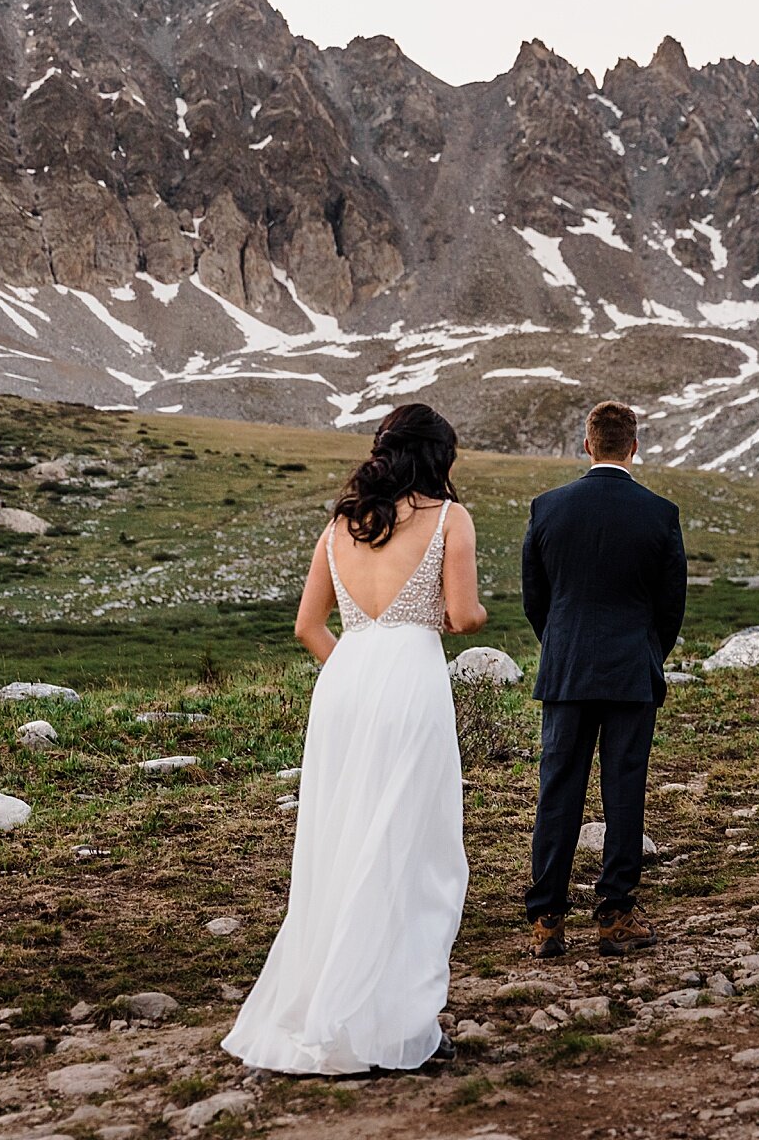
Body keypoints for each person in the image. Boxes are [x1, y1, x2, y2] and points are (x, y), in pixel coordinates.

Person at [223, 403, 487, 1075]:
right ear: (438, 457)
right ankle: (396, 1020)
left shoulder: (341, 526)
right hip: (409, 682)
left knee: (340, 842)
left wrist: (355, 667)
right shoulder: (451, 520)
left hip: (344, 684)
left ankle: (328, 1002)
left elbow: (308, 627)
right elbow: (461, 616)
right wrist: (474, 611)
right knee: (414, 849)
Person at [520, 401, 687, 958]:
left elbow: (535, 599)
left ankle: (547, 920)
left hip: (566, 668)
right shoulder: (660, 514)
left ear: (587, 444)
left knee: (557, 790)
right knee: (624, 790)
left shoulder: (548, 508)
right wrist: (645, 652)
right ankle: (615, 915)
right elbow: (671, 607)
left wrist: (562, 645)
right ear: (633, 447)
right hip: (630, 671)